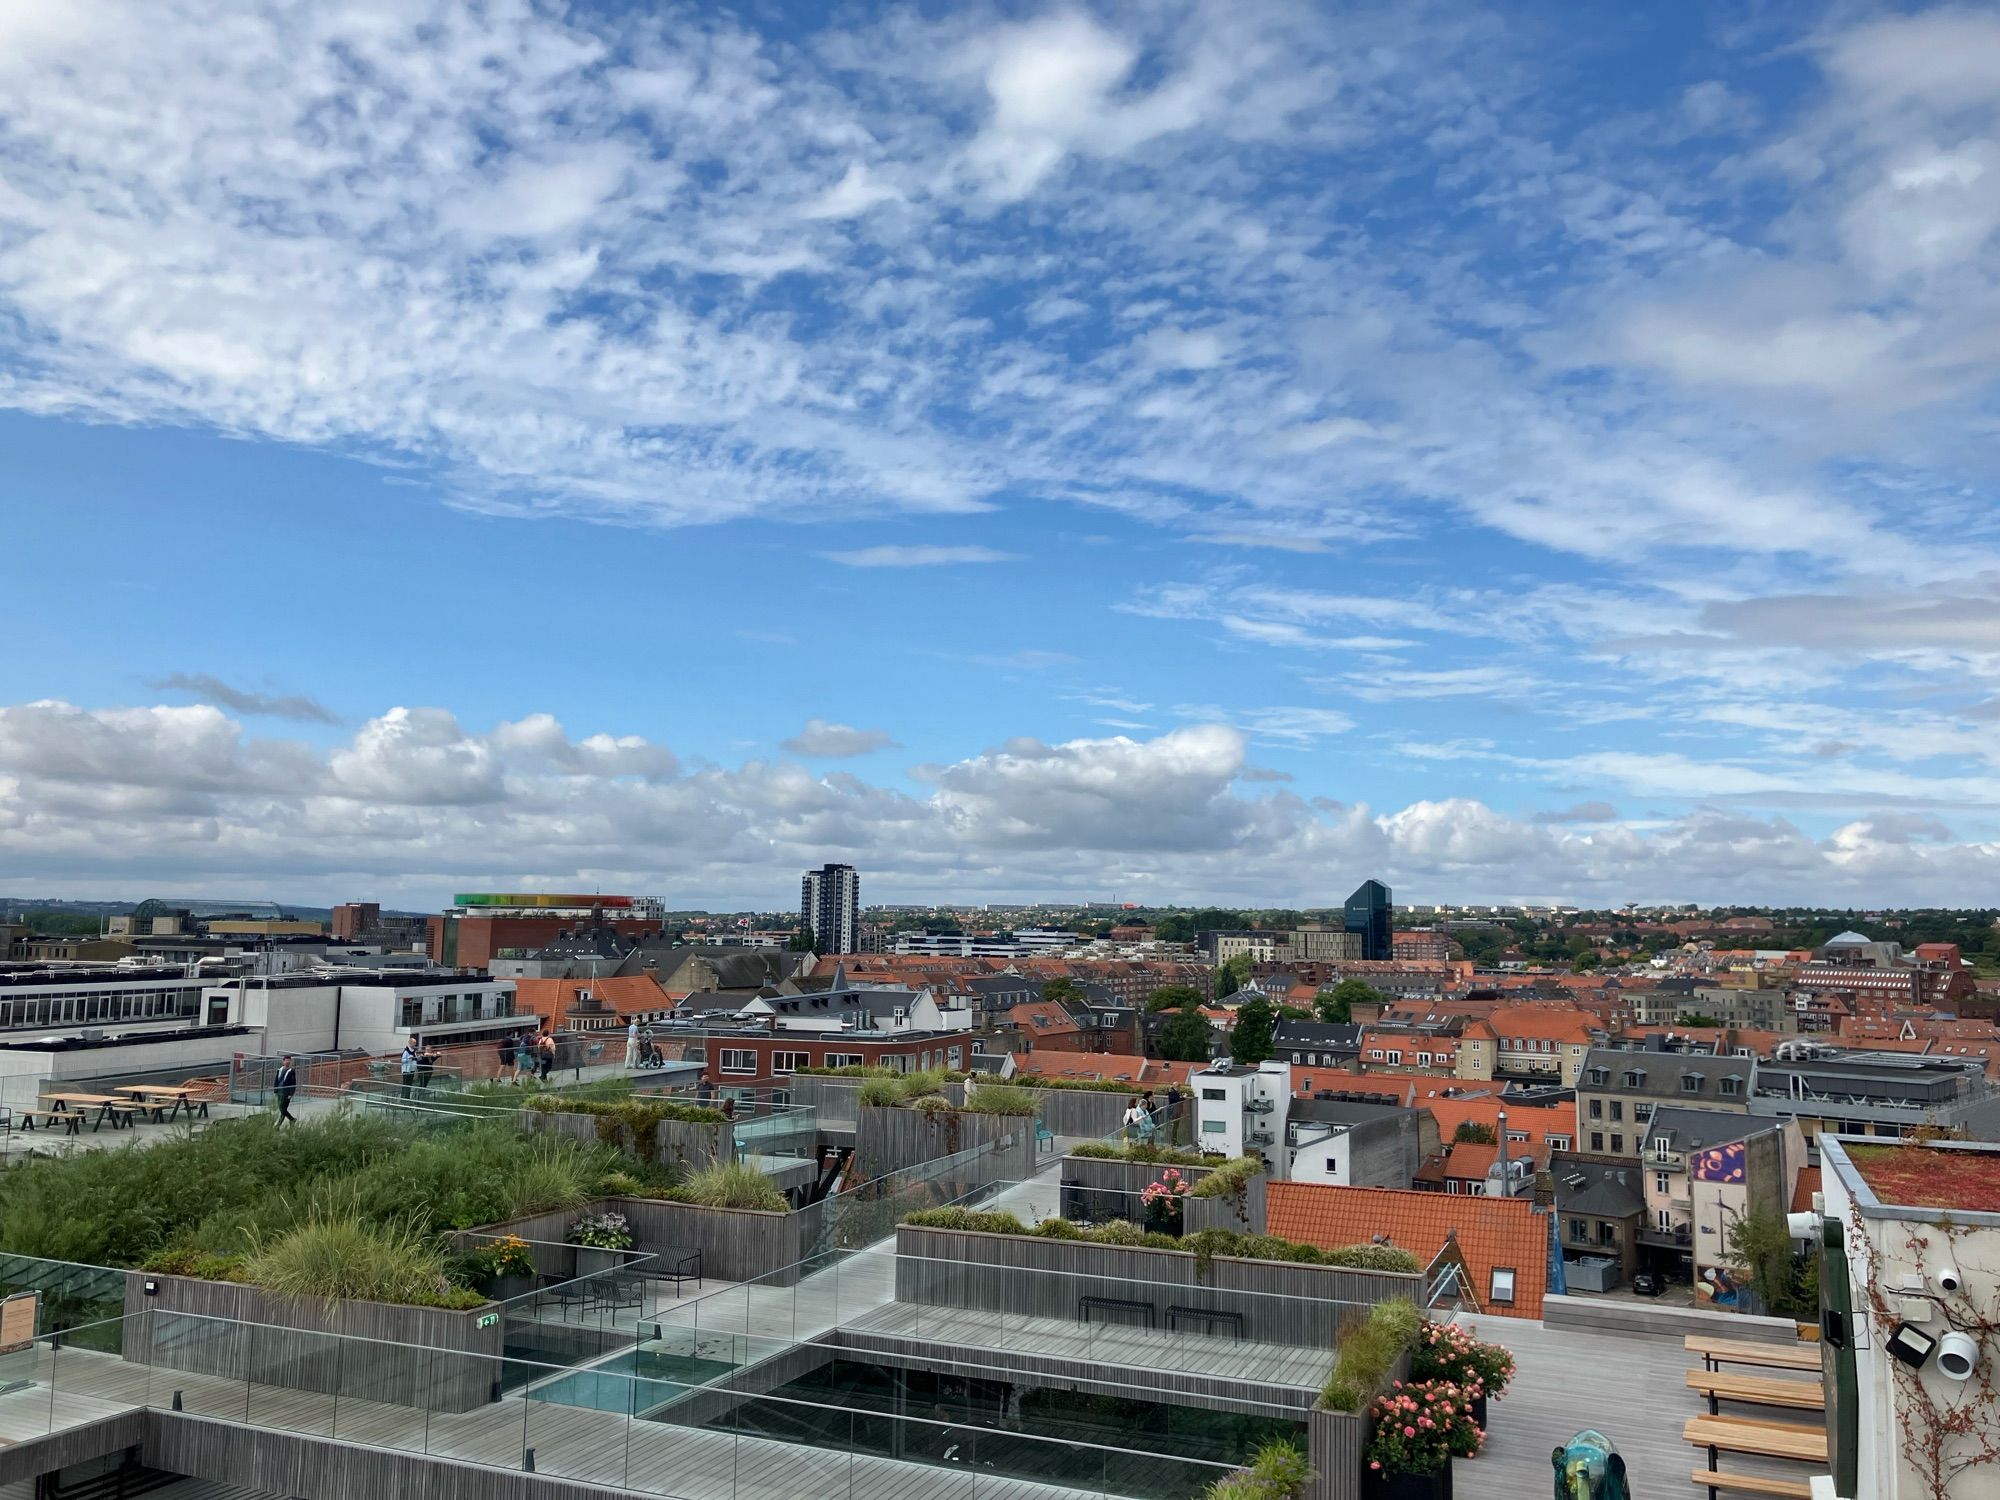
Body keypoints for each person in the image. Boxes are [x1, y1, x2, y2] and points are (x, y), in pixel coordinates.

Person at [273, 1054, 298, 1124]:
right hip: (279, 1092)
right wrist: (275, 1090)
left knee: (283, 1109)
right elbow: (276, 1080)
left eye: (289, 1061)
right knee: (281, 1109)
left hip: (286, 1093)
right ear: (283, 1061)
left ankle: (278, 1125)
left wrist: (291, 1093)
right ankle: (292, 1119)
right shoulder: (280, 1070)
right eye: (286, 1060)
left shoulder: (291, 1071)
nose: (288, 1062)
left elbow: (293, 1083)